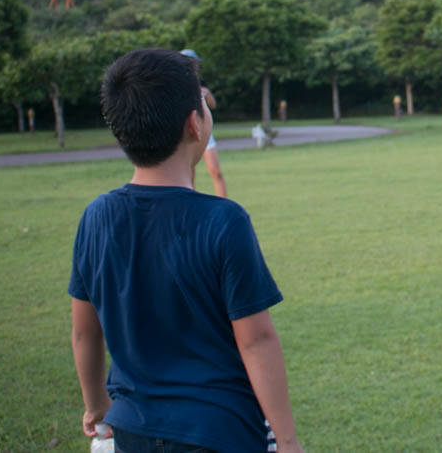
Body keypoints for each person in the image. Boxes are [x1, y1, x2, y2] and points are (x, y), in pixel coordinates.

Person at [69, 48, 302, 452]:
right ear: (195, 123)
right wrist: (287, 440)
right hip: (220, 431)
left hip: (133, 430)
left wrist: (95, 405)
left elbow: (85, 331)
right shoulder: (224, 220)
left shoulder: (96, 216)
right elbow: (256, 341)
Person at [180, 49, 228, 198]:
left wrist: (206, 94)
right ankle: (190, 207)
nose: (196, 67)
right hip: (186, 133)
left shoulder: (201, 83)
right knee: (189, 175)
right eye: (193, 64)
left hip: (204, 131)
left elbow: (212, 105)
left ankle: (223, 205)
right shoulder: (176, 84)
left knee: (215, 170)